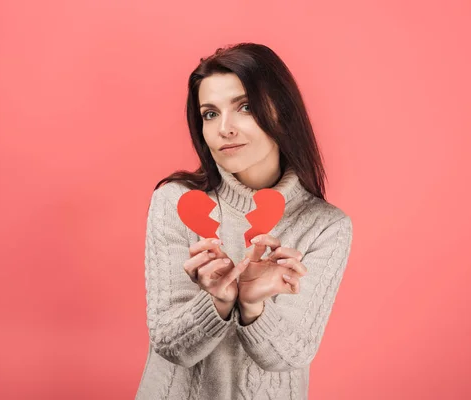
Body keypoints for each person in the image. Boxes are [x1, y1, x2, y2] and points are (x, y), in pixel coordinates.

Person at [135, 42, 353, 400]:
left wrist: (252, 304)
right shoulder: (176, 202)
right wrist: (218, 301)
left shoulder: (325, 226)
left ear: (281, 111)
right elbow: (170, 344)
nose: (225, 128)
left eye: (245, 107)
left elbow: (291, 355)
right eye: (209, 114)